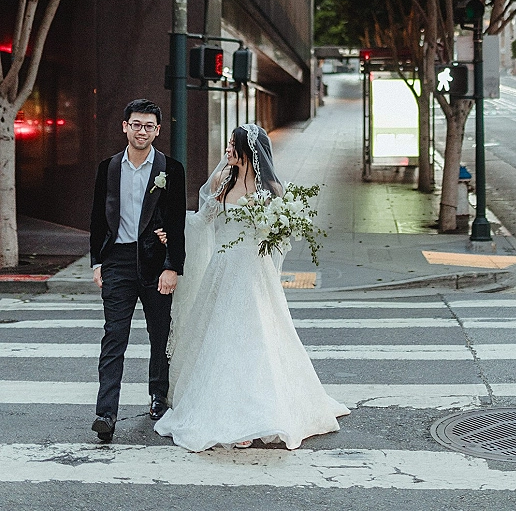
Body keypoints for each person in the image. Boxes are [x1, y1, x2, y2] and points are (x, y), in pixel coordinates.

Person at [154, 122, 349, 452]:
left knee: (254, 337)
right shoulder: (221, 181)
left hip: (253, 271)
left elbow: (279, 235)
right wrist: (172, 231)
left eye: (233, 144)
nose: (227, 150)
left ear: (248, 151)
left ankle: (259, 410)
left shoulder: (270, 188)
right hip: (222, 268)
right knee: (220, 337)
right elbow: (203, 220)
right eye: (228, 143)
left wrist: (273, 227)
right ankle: (227, 410)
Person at [89, 99, 186, 443]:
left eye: (148, 126)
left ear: (157, 131)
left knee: (159, 335)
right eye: (136, 124)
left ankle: (158, 396)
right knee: (114, 336)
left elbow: (176, 224)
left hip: (155, 263)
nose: (141, 131)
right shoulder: (108, 167)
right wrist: (97, 262)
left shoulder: (170, 170)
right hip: (117, 261)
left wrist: (173, 265)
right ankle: (106, 413)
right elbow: (98, 219)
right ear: (124, 126)